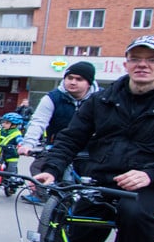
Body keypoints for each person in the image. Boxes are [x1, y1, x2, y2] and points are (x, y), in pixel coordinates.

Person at [34, 35, 154, 242]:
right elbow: (71, 138)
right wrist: (51, 169)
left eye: (152, 60)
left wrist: (151, 174)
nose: (143, 65)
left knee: (134, 212)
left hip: (151, 183)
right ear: (126, 64)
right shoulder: (103, 99)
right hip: (103, 180)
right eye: (136, 59)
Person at [18, 60, 97, 204]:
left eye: (79, 79)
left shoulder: (100, 99)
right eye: (69, 78)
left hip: (90, 150)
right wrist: (28, 144)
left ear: (89, 83)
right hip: (59, 146)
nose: (73, 82)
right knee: (39, 166)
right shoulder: (52, 98)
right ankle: (43, 195)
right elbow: (39, 121)